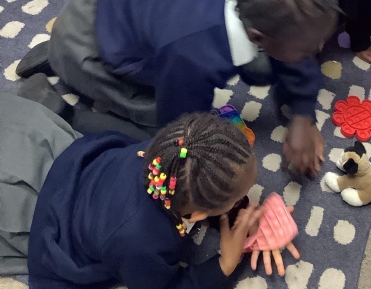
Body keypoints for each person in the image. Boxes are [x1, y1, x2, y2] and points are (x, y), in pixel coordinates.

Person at [16, 0, 340, 175]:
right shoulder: (194, 55)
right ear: (258, 37)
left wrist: (302, 114)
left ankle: (59, 54)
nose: (316, 51)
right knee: (162, 137)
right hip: (87, 43)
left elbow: (291, 50)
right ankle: (59, 104)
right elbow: (181, 127)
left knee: (266, 65)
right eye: (306, 50)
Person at [0, 92, 263, 288]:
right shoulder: (140, 243)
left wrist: (231, 210)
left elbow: (202, 179)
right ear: (196, 215)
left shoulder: (168, 154)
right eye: (237, 199)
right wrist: (224, 265)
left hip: (75, 163)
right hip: (50, 220)